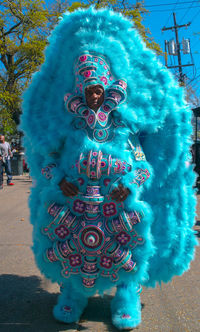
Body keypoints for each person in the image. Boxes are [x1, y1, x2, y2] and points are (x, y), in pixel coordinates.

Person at [21, 7, 197, 331]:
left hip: (117, 206)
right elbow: (47, 163)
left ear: (108, 88)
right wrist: (59, 181)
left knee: (128, 246)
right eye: (88, 89)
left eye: (98, 89)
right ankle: (74, 294)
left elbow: (143, 166)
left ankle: (126, 295)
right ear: (80, 91)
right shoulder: (71, 129)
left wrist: (128, 185)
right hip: (74, 204)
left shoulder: (123, 128)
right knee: (68, 245)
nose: (94, 95)